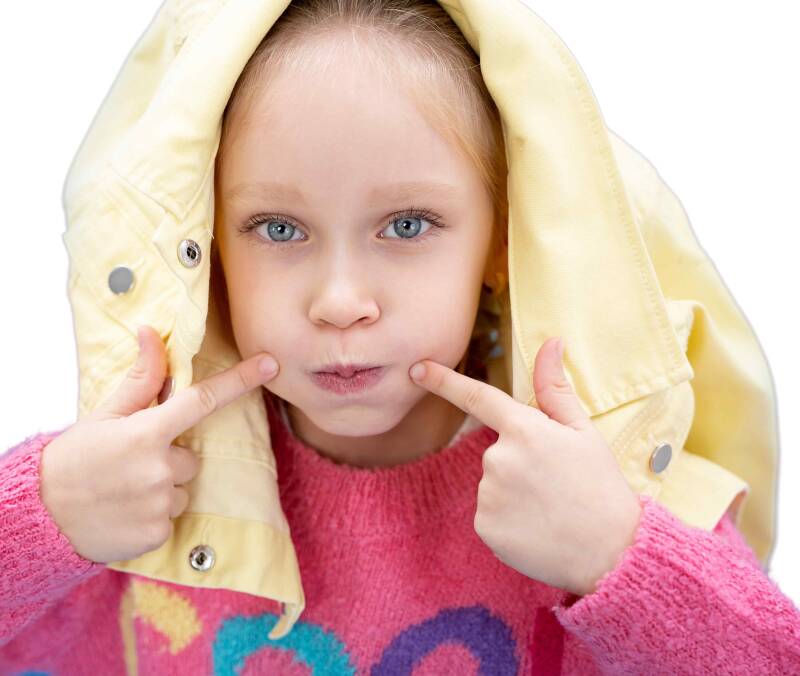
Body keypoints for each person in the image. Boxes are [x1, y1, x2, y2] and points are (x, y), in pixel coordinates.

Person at [1, 0, 798, 673]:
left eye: (407, 224)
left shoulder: (595, 486)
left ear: (499, 243)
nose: (341, 301)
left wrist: (620, 554)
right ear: (203, 243)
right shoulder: (126, 486)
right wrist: (43, 514)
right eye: (277, 227)